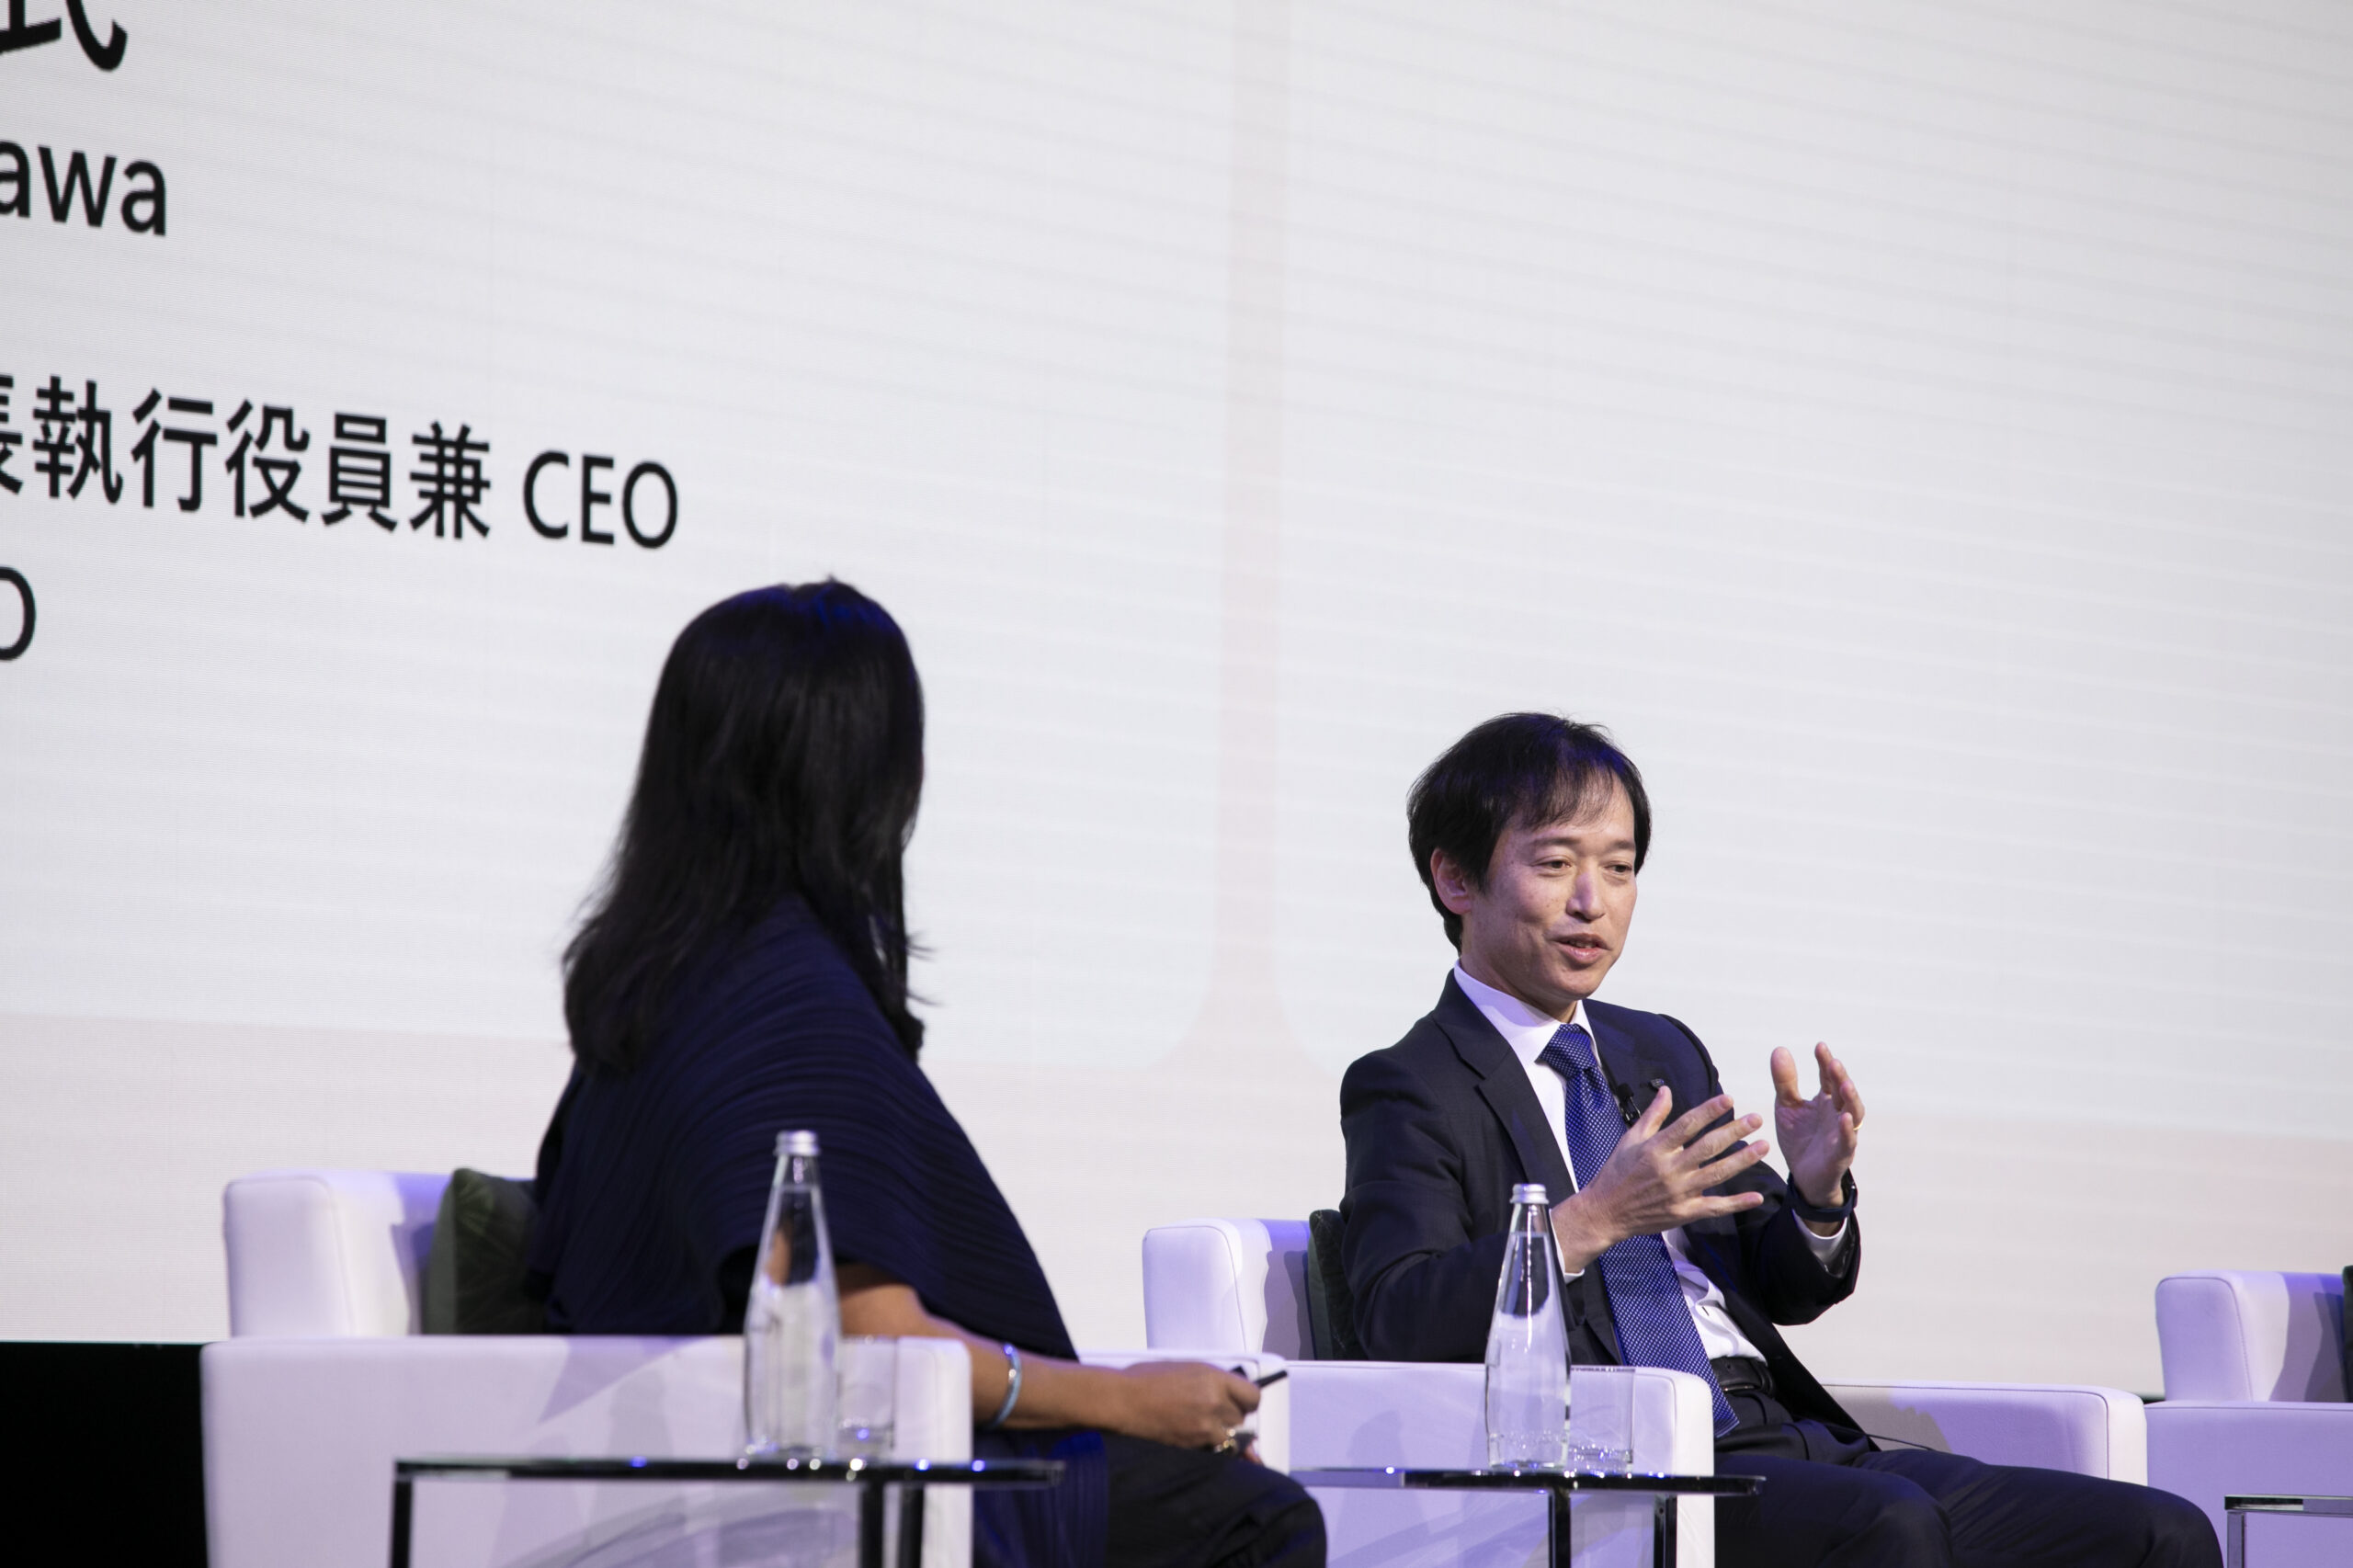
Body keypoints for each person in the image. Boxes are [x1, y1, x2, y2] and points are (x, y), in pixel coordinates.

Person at [527, 580, 1324, 1568]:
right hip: (837, 1480)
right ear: (864, 775)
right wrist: (1124, 1399)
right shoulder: (784, 1002)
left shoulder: (663, 985)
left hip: (724, 1463)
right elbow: (876, 1342)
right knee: (1256, 1517)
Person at [1338, 711, 2219, 1568]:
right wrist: (1594, 1219)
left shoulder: (1657, 1049)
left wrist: (1816, 1196)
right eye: (1556, 863)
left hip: (1782, 1436)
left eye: (1620, 868)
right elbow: (1398, 1318)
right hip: (1626, 1467)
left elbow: (1784, 1285)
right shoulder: (1411, 1084)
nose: (1591, 902)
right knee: (1889, 1526)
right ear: (1456, 880)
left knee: (2161, 1533)